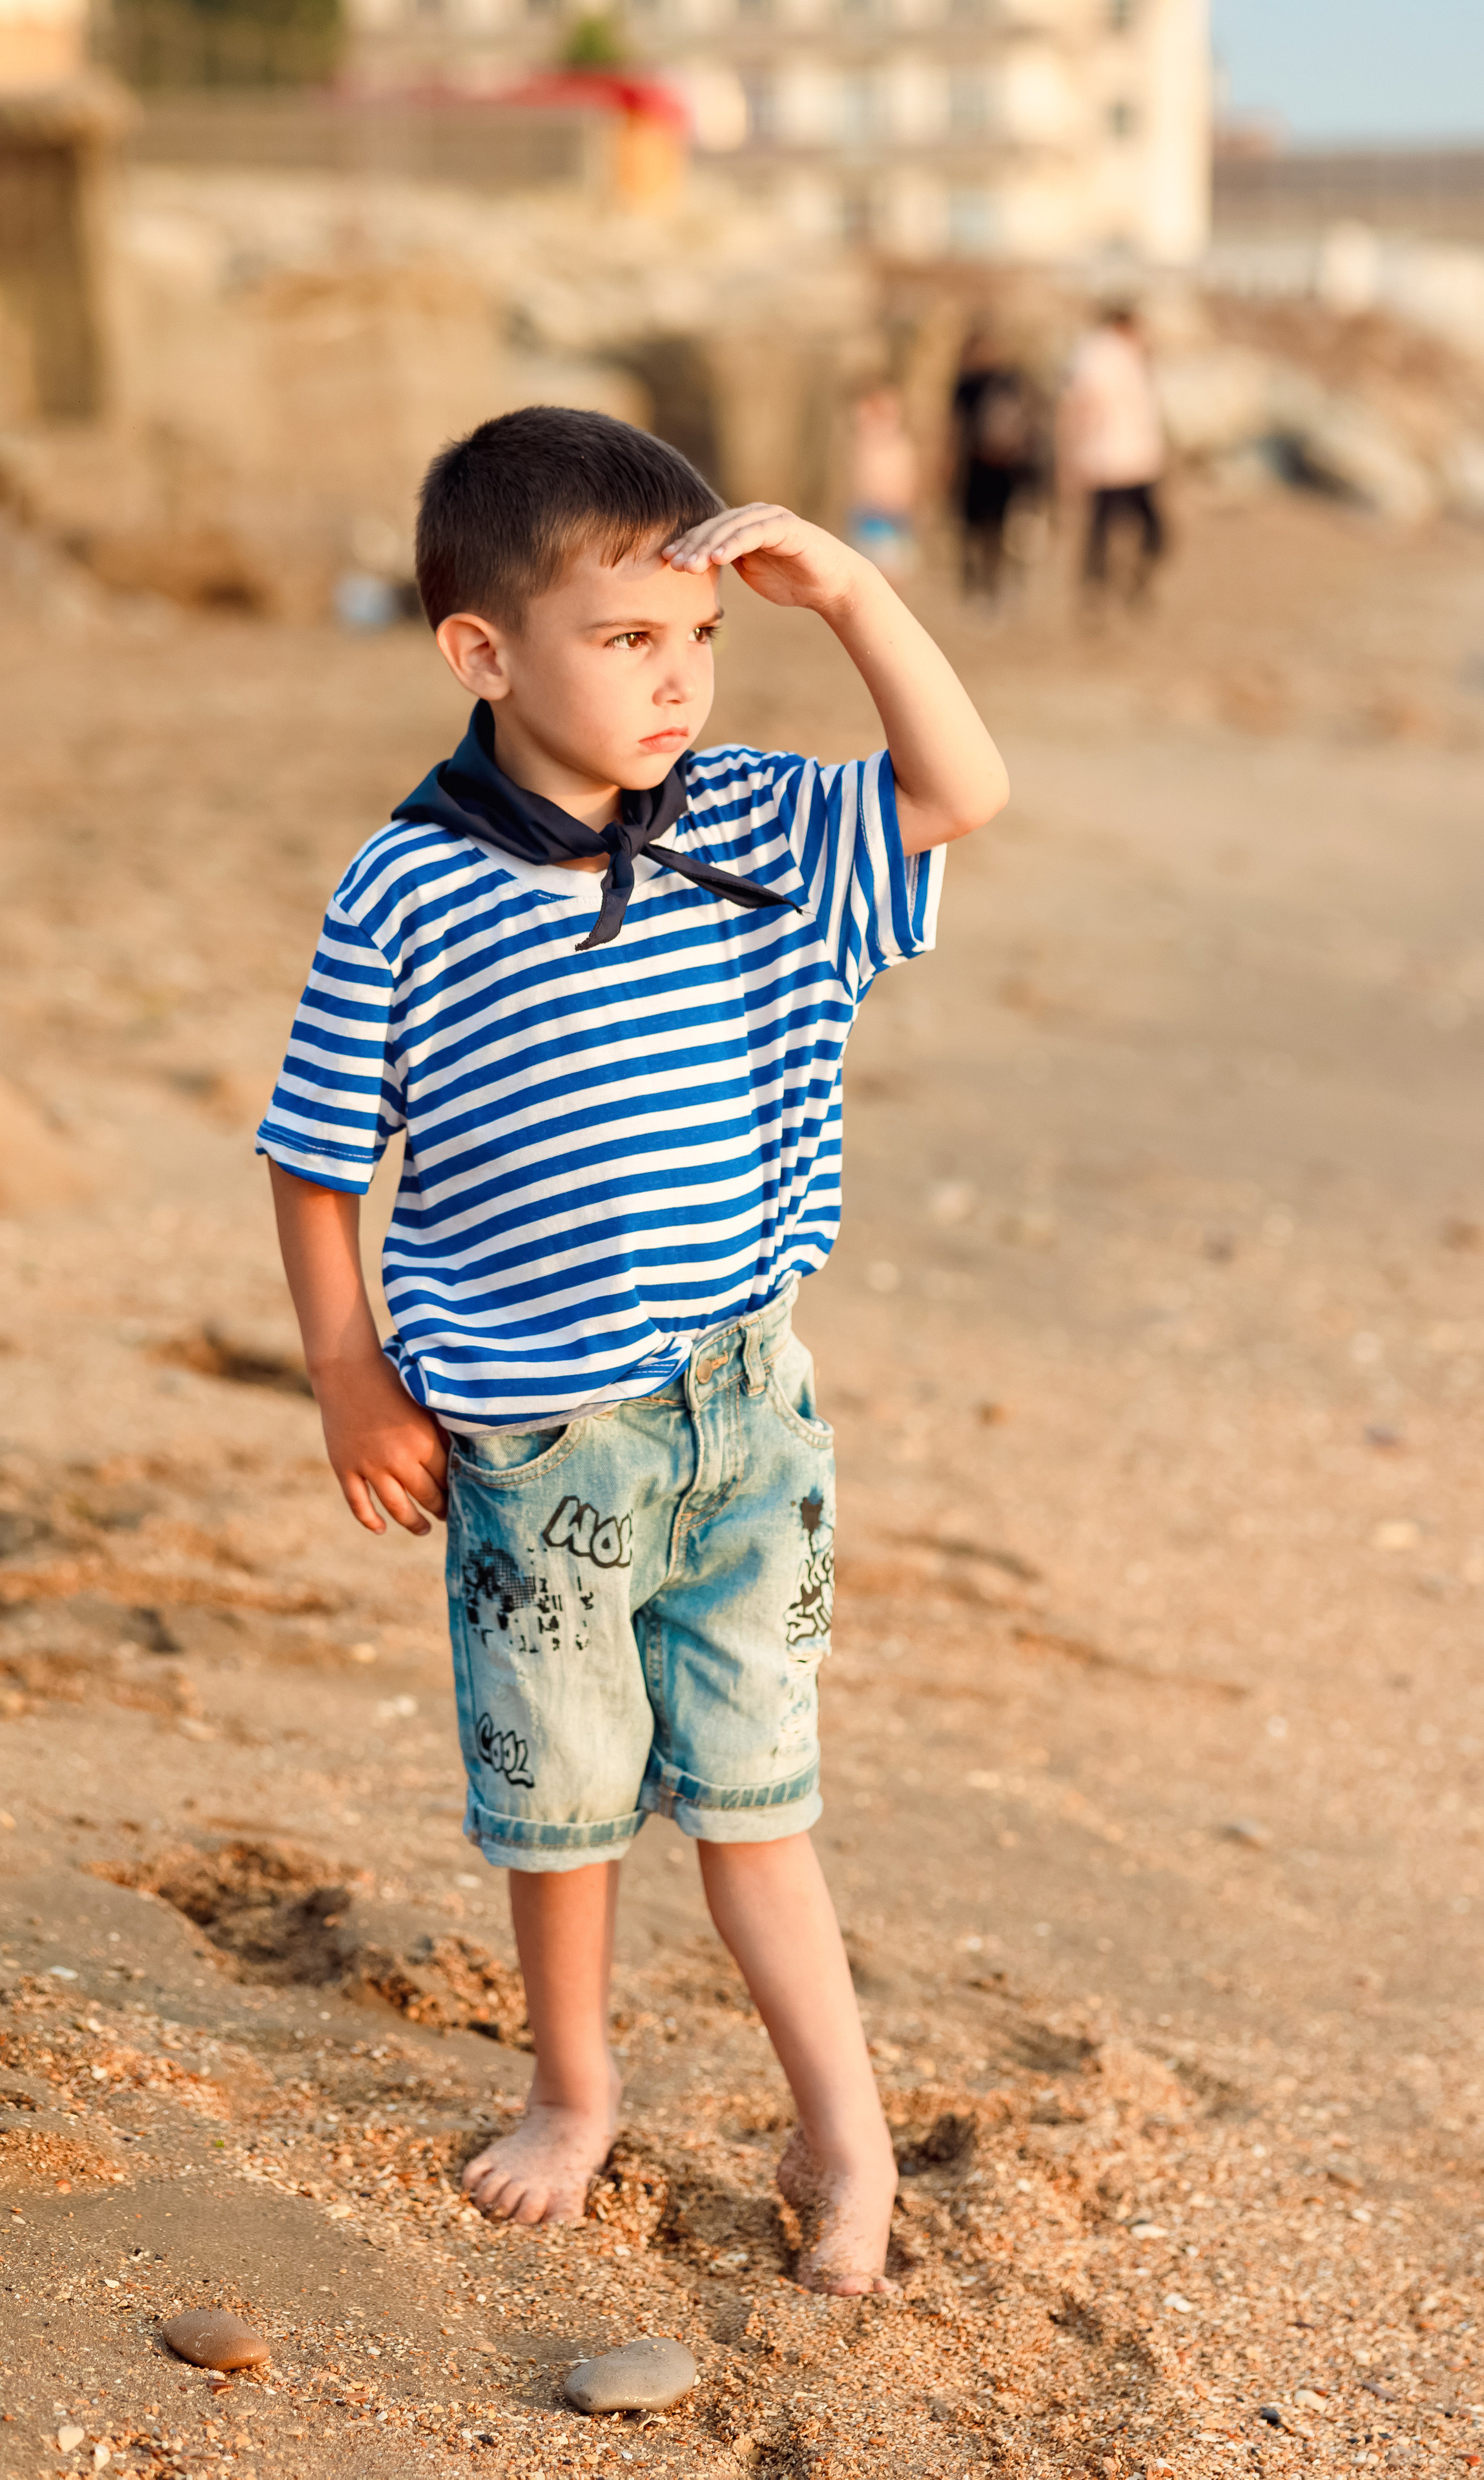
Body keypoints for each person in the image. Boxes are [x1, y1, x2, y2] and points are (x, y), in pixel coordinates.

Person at [256, 406, 1007, 2293]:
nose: (674, 680)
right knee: (561, 1799)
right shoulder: (406, 888)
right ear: (483, 653)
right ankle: (573, 2087)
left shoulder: (758, 820)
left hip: (745, 1412)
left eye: (698, 638)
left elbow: (960, 788)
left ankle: (847, 2141)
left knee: (761, 1799)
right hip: (534, 1439)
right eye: (624, 640)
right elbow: (318, 1148)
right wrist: (348, 1368)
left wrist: (844, 585)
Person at [1060, 302, 1167, 602]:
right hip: (1109, 459)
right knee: (1109, 531)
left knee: (1122, 530)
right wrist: (1074, 454)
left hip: (1133, 460)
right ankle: (1098, 590)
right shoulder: (1101, 353)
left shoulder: (1124, 355)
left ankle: (1114, 585)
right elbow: (1084, 403)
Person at [950, 331, 1036, 601]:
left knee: (993, 529)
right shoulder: (973, 383)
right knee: (973, 529)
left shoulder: (1003, 381)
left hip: (998, 469)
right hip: (977, 467)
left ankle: (987, 582)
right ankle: (977, 582)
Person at [845, 382, 920, 579]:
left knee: (894, 573)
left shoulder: (901, 445)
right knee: (871, 572)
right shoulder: (867, 441)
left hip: (896, 514)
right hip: (870, 514)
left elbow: (909, 483)